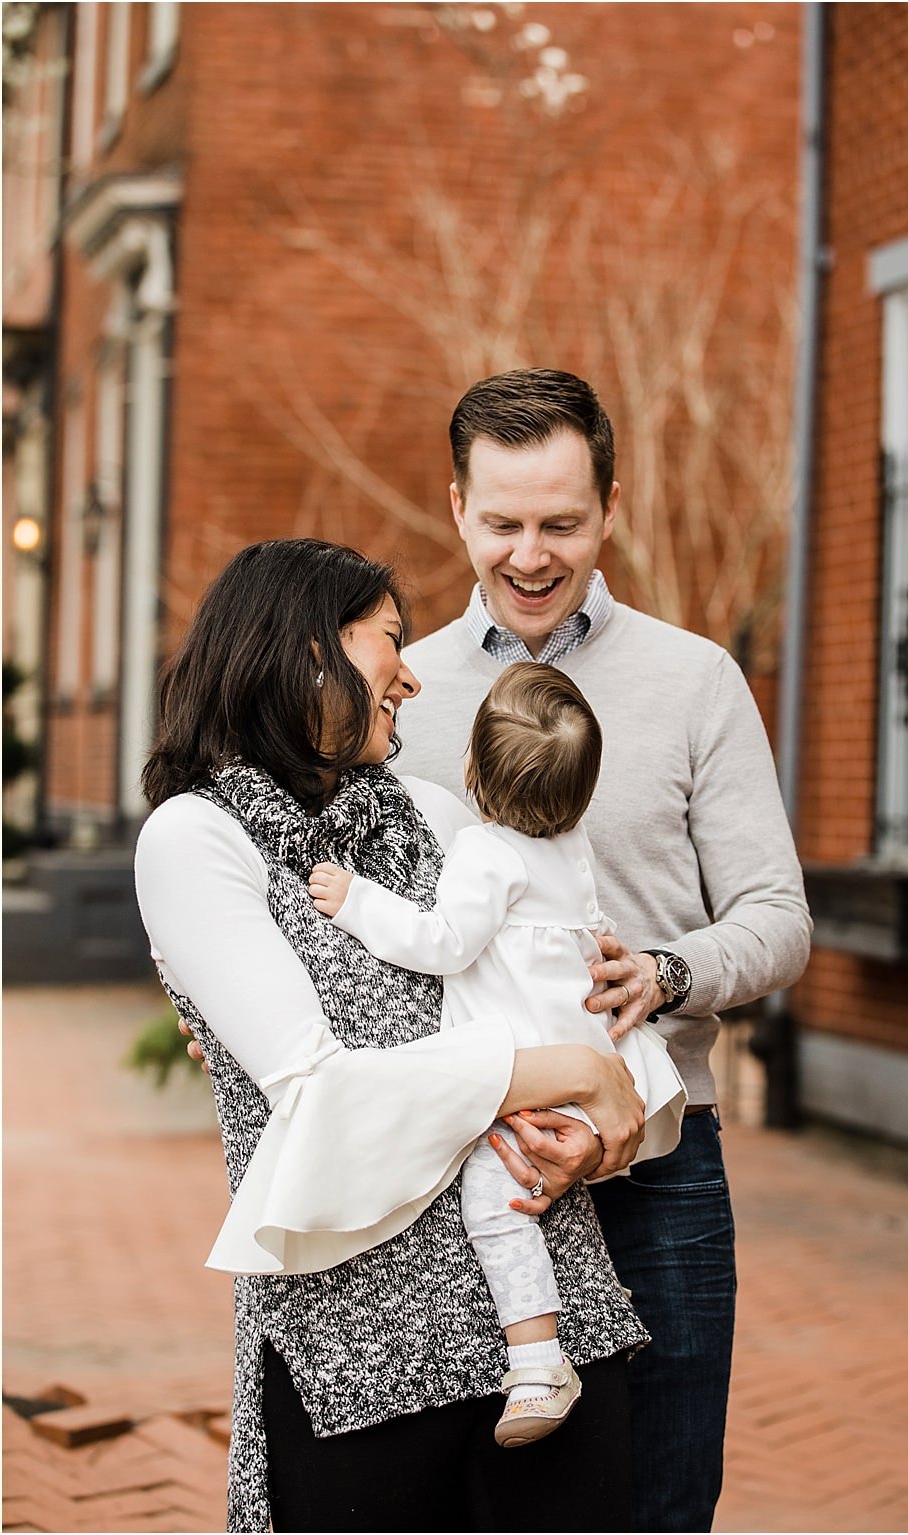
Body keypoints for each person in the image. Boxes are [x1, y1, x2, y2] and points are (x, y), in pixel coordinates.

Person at [135, 538, 652, 1532]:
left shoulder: (438, 815)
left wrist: (590, 1129)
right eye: (389, 642)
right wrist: (575, 1071)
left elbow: (555, 989)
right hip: (359, 1352)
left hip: (548, 1334)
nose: (411, 674)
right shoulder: (194, 839)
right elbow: (324, 1093)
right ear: (305, 650)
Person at [392, 368, 812, 1530]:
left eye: (560, 524)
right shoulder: (403, 693)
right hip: (472, 1163)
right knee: (495, 1495)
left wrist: (668, 970)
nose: (529, 554)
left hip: (660, 1159)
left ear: (609, 509)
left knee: (664, 1494)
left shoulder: (693, 681)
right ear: (455, 506)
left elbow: (775, 916)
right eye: (502, 522)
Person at [307, 660, 686, 1449]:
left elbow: (442, 942)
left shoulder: (485, 852)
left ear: (473, 771)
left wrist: (358, 900)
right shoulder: (571, 847)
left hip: (520, 1070)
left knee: (497, 1203)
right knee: (548, 1202)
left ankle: (540, 1358)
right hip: (587, 1053)